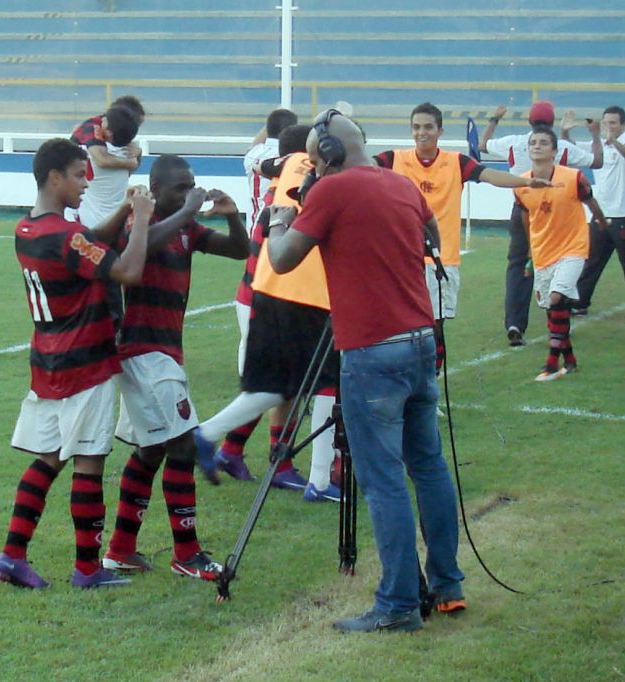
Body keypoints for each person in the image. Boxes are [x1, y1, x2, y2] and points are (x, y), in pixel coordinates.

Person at [266, 109, 465, 633]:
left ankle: (398, 604)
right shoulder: (398, 183)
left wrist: (280, 217)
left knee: (382, 482)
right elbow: (430, 234)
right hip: (421, 341)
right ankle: (447, 584)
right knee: (429, 466)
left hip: (372, 351)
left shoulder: (332, 193)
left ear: (327, 154)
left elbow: (283, 260)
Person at [0, 138, 153, 589]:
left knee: (47, 459)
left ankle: (12, 555)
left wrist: (121, 211)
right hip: (84, 361)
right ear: (54, 177)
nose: (87, 183)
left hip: (47, 361)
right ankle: (87, 568)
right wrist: (139, 219)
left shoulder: (29, 229)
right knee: (88, 460)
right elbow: (128, 271)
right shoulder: (64, 237)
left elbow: (82, 245)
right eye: (81, 175)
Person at [102, 155, 249, 580]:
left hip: (164, 353)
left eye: (191, 186)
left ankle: (120, 550)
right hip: (144, 353)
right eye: (179, 188)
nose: (188, 194)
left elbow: (239, 250)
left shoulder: (186, 227)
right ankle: (187, 554)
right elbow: (139, 253)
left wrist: (234, 217)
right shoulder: (140, 225)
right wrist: (187, 211)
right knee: (183, 448)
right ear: (156, 188)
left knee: (150, 452)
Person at [195, 125, 344, 501]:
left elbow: (265, 166)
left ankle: (211, 438)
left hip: (266, 286)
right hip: (305, 290)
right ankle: (320, 481)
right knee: (323, 382)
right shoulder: (338, 181)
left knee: (278, 385)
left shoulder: (291, 161)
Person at [376, 102, 556, 366]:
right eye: (416, 127)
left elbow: (490, 175)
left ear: (440, 130)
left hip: (441, 261)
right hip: (401, 261)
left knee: (434, 330)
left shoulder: (455, 162)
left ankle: (430, 390)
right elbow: (360, 165)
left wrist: (526, 181)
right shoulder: (393, 159)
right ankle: (405, 386)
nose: (421, 132)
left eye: (428, 127)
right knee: (401, 331)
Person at [480, 100, 603, 345]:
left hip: (523, 207)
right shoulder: (561, 147)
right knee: (561, 262)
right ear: (552, 122)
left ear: (529, 121)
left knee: (518, 266)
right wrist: (595, 136)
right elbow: (596, 161)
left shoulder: (516, 141)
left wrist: (495, 119)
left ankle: (515, 323)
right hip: (558, 211)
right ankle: (559, 322)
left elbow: (482, 145)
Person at [514, 127, 609, 381]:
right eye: (533, 142)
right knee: (552, 307)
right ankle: (570, 359)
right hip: (543, 252)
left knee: (557, 298)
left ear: (554, 150)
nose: (537, 146)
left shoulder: (573, 177)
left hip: (573, 248)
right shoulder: (522, 184)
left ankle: (551, 363)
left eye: (543, 143)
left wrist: (600, 220)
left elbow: (590, 201)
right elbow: (527, 217)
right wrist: (530, 253)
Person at [68, 99, 145, 330]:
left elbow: (98, 157)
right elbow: (128, 163)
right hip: (119, 226)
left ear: (109, 133)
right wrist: (134, 158)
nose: (100, 121)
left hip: (94, 228)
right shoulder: (125, 156)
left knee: (97, 288)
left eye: (105, 122)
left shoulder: (94, 153)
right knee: (113, 285)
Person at [574, 106, 625, 319]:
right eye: (606, 122)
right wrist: (568, 133)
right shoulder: (599, 146)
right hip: (602, 213)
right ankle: (580, 302)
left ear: (622, 125)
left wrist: (614, 141)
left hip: (624, 214)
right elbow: (575, 151)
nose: (608, 127)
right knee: (591, 260)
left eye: (613, 123)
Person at [243, 108, 299, 235]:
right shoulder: (291, 157)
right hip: (282, 222)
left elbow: (252, 146)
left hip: (255, 222)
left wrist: (272, 120)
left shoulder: (253, 154)